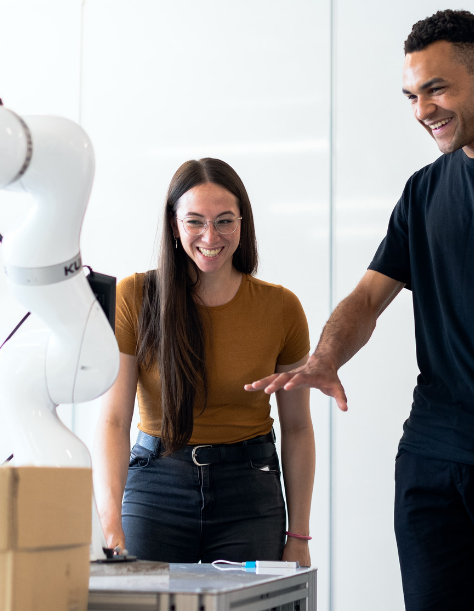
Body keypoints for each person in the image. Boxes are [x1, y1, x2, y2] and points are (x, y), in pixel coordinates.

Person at [247, 10, 474, 609]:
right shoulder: (424, 191)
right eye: (412, 95)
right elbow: (368, 298)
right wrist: (324, 357)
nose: (423, 109)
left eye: (437, 88)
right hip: (431, 462)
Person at [93, 157, 315, 566]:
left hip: (250, 488)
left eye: (224, 220)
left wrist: (298, 534)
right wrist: (109, 521)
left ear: (242, 223)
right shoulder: (134, 296)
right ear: (174, 225)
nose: (210, 236)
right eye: (194, 221)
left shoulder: (281, 308)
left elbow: (298, 427)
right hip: (157, 482)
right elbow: (113, 420)